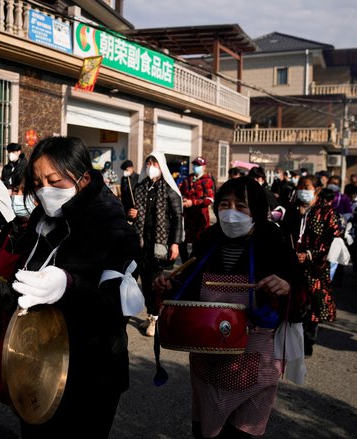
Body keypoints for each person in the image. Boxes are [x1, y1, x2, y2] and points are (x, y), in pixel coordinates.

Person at [0, 136, 141, 437]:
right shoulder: (41, 221)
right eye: (38, 182)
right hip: (37, 365)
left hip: (90, 376)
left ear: (84, 178)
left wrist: (68, 286)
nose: (45, 190)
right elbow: (15, 294)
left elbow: (113, 311)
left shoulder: (112, 229)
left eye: (54, 180)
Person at [153, 176, 300, 439]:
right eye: (224, 205)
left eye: (241, 206)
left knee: (244, 430)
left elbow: (301, 291)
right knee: (206, 428)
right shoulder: (209, 238)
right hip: (207, 353)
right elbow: (190, 286)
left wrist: (286, 286)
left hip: (255, 355)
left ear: (257, 210)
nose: (231, 213)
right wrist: (170, 287)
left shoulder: (272, 241)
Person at [281, 175, 340, 357]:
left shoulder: (326, 212)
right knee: (292, 303)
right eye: (300, 186)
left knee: (312, 307)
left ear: (317, 190)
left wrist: (309, 255)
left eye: (306, 187)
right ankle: (289, 341)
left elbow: (334, 239)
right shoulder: (291, 209)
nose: (302, 190)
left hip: (315, 269)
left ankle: (307, 343)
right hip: (291, 266)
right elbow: (283, 234)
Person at [128, 152, 183, 337]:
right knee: (144, 281)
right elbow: (131, 211)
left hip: (161, 243)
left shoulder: (169, 189)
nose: (151, 166)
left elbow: (177, 219)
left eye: (155, 163)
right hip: (143, 242)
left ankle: (156, 318)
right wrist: (131, 214)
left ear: (162, 166)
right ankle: (151, 313)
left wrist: (175, 243)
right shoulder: (142, 187)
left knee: (156, 282)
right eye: (148, 162)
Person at [179, 156, 215, 262]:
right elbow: (181, 193)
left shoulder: (207, 180)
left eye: (198, 165)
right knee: (182, 242)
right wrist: (184, 199)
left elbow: (209, 199)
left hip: (200, 219)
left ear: (204, 167)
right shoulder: (188, 179)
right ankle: (185, 264)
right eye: (195, 165)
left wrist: (193, 202)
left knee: (198, 246)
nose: (196, 167)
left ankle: (194, 266)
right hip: (187, 218)